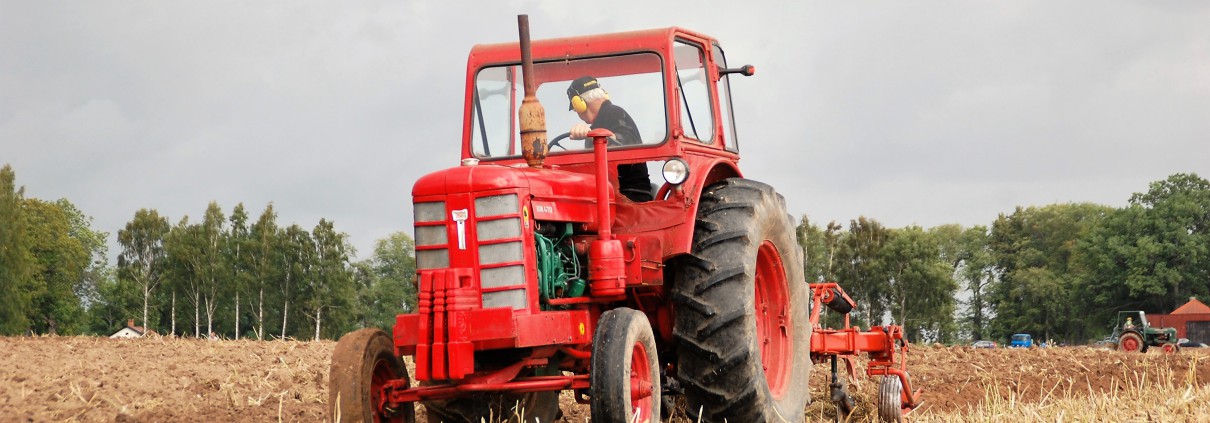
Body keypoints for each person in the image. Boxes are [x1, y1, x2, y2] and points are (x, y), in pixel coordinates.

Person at [566, 76, 653, 202]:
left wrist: (595, 135)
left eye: (576, 110)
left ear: (580, 104)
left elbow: (624, 141)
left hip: (630, 195)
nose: (578, 115)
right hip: (612, 192)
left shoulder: (614, 113)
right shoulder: (603, 120)